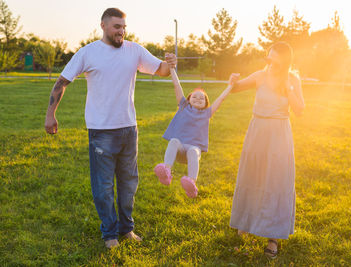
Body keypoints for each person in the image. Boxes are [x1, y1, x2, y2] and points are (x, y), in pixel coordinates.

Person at [44, 8, 177, 249]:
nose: (122, 31)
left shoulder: (134, 50)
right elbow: (61, 82)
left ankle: (127, 229)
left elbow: (161, 70)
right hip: (101, 131)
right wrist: (50, 115)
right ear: (103, 26)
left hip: (129, 129)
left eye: (124, 27)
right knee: (103, 187)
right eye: (117, 27)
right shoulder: (88, 53)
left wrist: (170, 63)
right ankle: (110, 235)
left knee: (129, 185)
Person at [229, 41, 305, 259]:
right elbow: (235, 88)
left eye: (274, 60)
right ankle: (246, 222)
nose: (270, 63)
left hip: (279, 132)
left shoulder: (293, 79)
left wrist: (288, 88)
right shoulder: (260, 75)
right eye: (268, 58)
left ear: (284, 62)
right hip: (257, 130)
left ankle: (273, 237)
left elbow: (299, 110)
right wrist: (233, 81)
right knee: (252, 175)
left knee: (276, 180)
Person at [154, 66, 234, 198]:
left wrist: (230, 85)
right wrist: (172, 69)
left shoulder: (207, 113)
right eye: (195, 97)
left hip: (192, 152)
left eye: (202, 98)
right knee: (174, 141)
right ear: (188, 99)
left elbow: (220, 99)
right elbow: (176, 85)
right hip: (179, 150)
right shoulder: (183, 106)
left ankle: (191, 183)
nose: (198, 99)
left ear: (206, 103)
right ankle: (166, 171)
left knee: (193, 151)